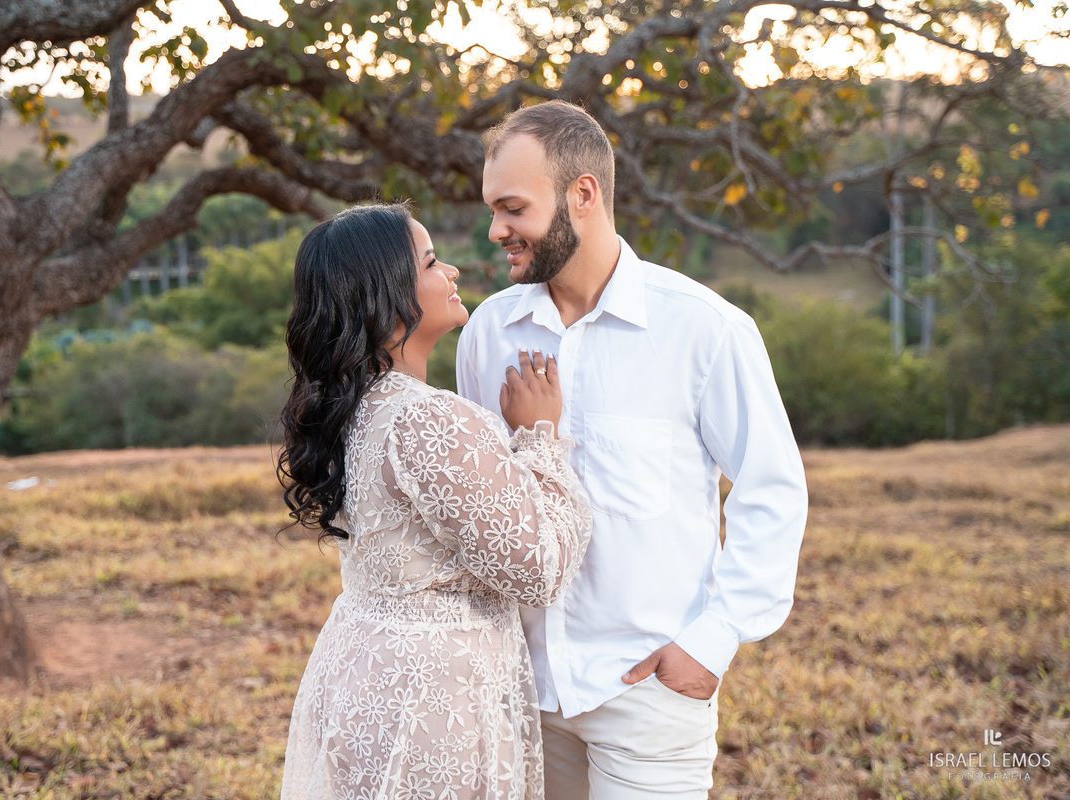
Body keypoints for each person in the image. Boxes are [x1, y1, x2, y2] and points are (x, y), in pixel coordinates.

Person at [457, 101, 808, 799]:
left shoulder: (704, 330)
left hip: (649, 690)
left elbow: (773, 490)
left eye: (514, 209)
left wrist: (713, 641)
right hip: (525, 690)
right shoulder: (490, 334)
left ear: (582, 195)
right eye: (494, 210)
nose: (497, 230)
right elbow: (490, 508)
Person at [276, 203, 593, 800]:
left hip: (364, 672)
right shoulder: (426, 418)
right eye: (429, 261)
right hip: (430, 701)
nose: (450, 271)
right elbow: (540, 570)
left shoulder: (353, 407)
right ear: (386, 294)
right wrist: (539, 436)